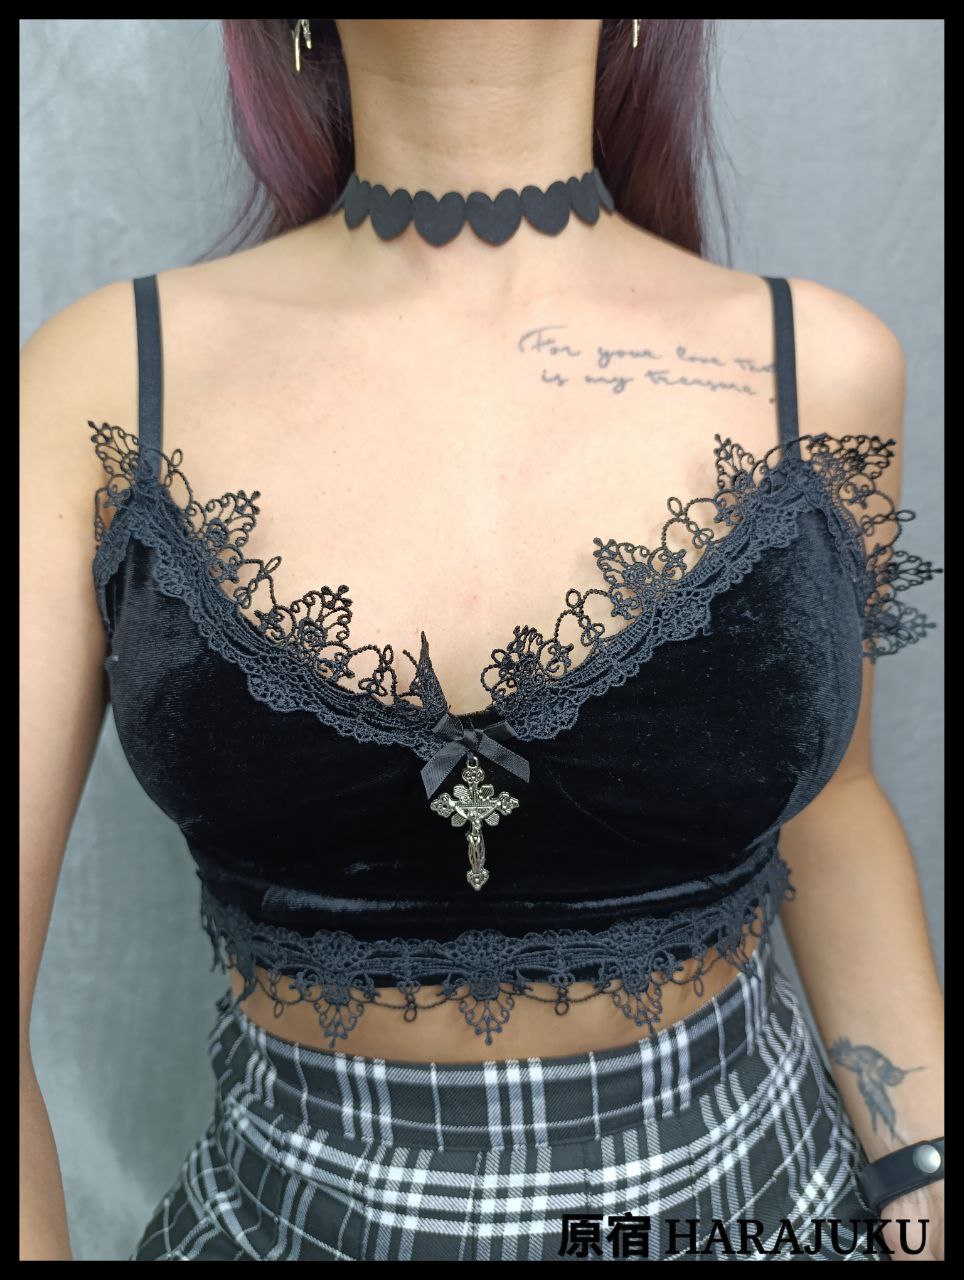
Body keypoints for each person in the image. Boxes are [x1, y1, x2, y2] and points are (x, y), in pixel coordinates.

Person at [21, 19, 943, 1262]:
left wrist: (922, 1168)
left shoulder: (818, 368)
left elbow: (833, 802)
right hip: (288, 1213)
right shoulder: (101, 383)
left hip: (755, 1191)